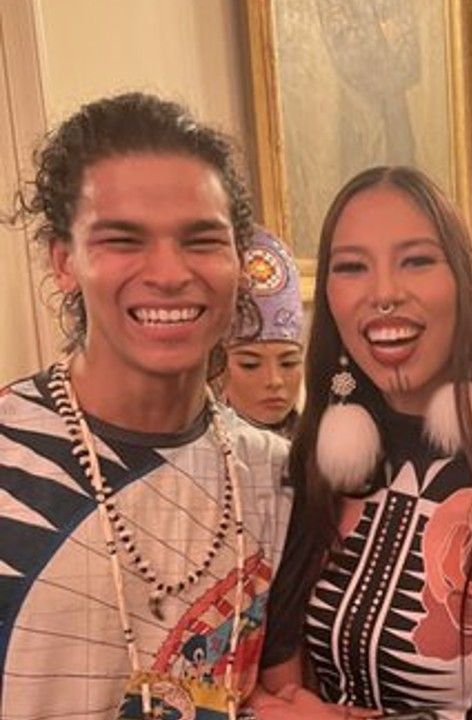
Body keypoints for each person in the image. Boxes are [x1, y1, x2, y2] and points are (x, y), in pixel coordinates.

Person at [255, 166, 472, 719]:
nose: (384, 293)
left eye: (416, 261)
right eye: (353, 267)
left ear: (463, 282)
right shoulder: (317, 469)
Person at [0, 92, 290, 719]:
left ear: (240, 261)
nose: (168, 272)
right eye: (123, 240)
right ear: (64, 261)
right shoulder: (9, 467)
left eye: (202, 241)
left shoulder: (277, 477)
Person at [219, 226, 305, 438]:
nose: (274, 380)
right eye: (250, 365)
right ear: (216, 370)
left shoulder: (325, 449)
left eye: (289, 363)